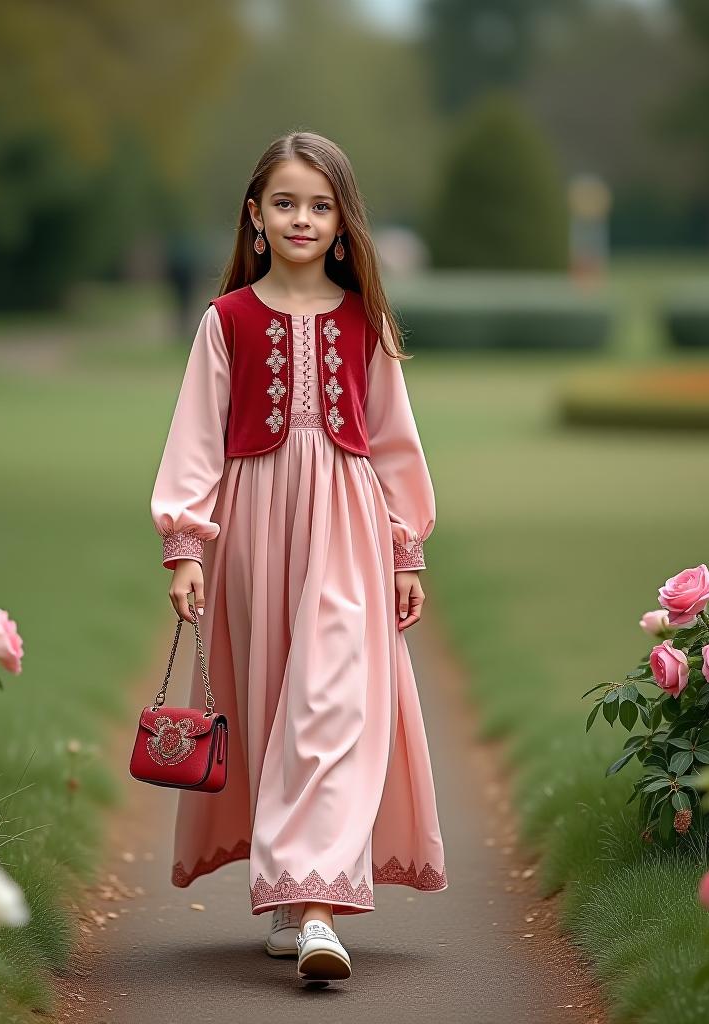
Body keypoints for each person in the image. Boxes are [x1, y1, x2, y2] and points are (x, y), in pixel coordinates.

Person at [149, 130, 447, 984]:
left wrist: (406, 551)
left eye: (321, 205)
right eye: (285, 202)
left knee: (331, 701)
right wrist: (186, 548)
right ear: (255, 216)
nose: (303, 218)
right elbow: (197, 442)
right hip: (254, 528)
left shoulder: (367, 321)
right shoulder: (226, 322)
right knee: (275, 695)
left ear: (345, 225)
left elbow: (394, 443)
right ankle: (291, 901)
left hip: (348, 529)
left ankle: (319, 913)